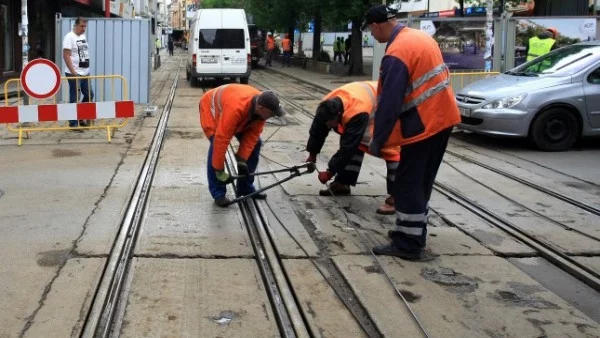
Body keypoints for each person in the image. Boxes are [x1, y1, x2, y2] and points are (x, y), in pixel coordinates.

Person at [361, 5, 460, 260]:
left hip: (424, 125)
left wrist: (377, 139)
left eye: (370, 31)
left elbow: (389, 102)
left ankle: (409, 244)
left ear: (376, 25)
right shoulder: (418, 37)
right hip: (441, 118)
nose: (372, 36)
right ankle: (413, 235)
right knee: (420, 181)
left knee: (407, 184)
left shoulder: (397, 53)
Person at [305, 81, 400, 215]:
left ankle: (398, 198)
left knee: (391, 149)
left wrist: (330, 171)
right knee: (355, 142)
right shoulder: (326, 106)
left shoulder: (357, 112)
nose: (328, 126)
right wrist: (312, 154)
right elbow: (317, 130)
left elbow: (348, 147)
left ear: (338, 115)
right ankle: (343, 183)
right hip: (367, 103)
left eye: (330, 123)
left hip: (387, 108)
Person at [199, 84, 286, 207]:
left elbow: (252, 137)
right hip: (212, 109)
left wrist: (242, 160)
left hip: (238, 113)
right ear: (261, 108)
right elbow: (221, 140)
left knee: (256, 143)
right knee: (216, 144)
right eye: (272, 114)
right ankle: (218, 193)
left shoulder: (262, 110)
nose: (273, 116)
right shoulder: (235, 108)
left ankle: (245, 188)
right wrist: (219, 171)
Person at [62, 17, 93, 130]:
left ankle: (80, 116)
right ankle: (73, 123)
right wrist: (73, 71)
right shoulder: (69, 37)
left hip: (85, 72)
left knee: (89, 95)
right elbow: (66, 55)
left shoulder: (82, 36)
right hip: (74, 73)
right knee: (75, 97)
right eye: (82, 26)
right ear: (75, 25)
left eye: (85, 26)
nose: (84, 29)